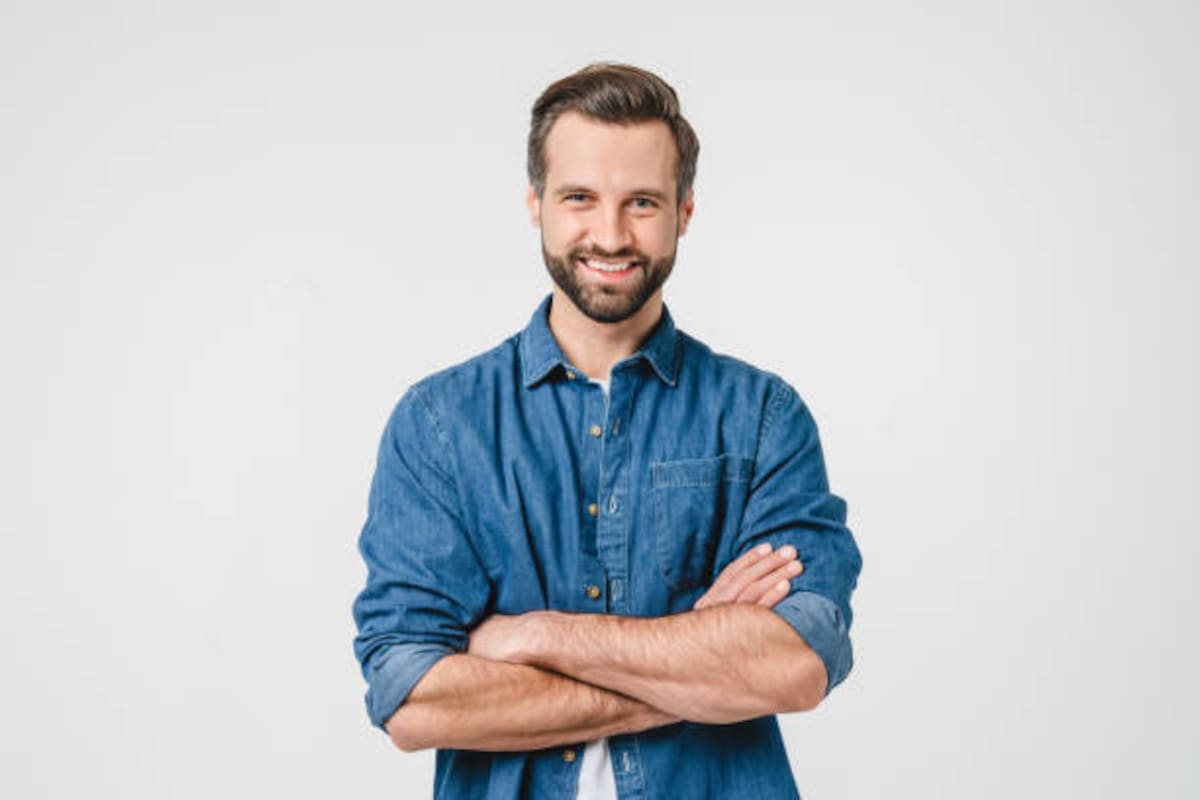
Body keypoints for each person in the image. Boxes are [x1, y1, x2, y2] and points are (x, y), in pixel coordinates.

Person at [352, 62, 863, 799]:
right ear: (536, 203)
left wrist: (534, 636)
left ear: (685, 211)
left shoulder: (761, 417)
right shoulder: (439, 425)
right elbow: (411, 697)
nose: (611, 234)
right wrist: (696, 653)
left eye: (643, 202)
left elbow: (795, 665)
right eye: (580, 198)